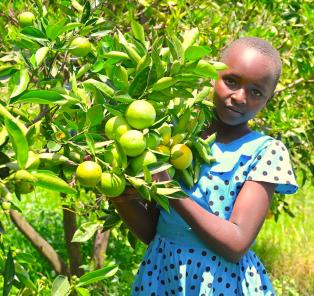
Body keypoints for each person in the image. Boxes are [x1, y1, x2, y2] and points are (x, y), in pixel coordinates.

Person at [112, 36, 298, 295]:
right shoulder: (176, 139)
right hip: (163, 277)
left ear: (268, 99)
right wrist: (118, 195)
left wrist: (169, 188)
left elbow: (236, 243)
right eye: (231, 81)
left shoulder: (265, 152)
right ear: (212, 75)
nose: (240, 97)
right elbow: (157, 232)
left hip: (220, 285)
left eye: (256, 92)